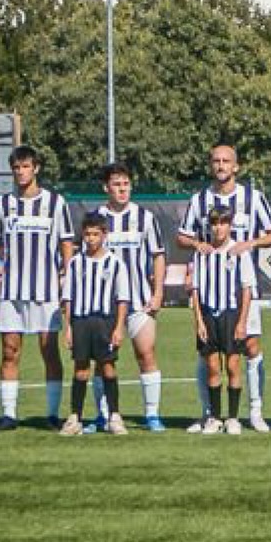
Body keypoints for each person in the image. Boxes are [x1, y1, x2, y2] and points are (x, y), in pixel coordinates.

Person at [177, 144, 271, 432]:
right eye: (216, 161)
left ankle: (254, 411)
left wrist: (252, 243)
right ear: (211, 166)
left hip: (243, 289)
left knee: (251, 347)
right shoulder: (200, 200)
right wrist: (198, 244)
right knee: (207, 355)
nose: (221, 165)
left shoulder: (253, 197)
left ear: (236, 166)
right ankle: (210, 412)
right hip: (210, 290)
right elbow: (182, 237)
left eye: (226, 161)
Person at [0, 145, 75, 429]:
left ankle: (51, 414)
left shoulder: (56, 203)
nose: (21, 172)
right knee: (10, 350)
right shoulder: (2, 204)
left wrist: (66, 277)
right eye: (16, 167)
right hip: (12, 291)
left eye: (25, 166)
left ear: (36, 168)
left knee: (50, 351)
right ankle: (8, 415)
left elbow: (66, 242)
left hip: (46, 290)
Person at [92, 163, 167, 430]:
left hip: (139, 301)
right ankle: (103, 415)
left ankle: (152, 415)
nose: (122, 189)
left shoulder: (145, 218)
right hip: (104, 304)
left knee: (145, 353)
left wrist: (158, 292)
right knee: (102, 361)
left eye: (125, 184)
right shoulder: (96, 218)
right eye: (116, 184)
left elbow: (158, 255)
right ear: (106, 188)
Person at [59, 212, 129, 436]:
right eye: (87, 234)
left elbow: (122, 298)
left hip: (104, 322)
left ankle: (114, 416)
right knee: (81, 370)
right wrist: (68, 327)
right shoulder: (76, 263)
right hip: (81, 321)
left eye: (95, 234)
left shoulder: (115, 263)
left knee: (108, 367)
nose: (90, 239)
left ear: (104, 235)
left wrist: (118, 328)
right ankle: (75, 417)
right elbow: (68, 297)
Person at [189, 204, 256, 435]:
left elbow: (247, 289)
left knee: (233, 365)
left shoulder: (239, 252)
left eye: (223, 223)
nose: (219, 228)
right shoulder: (202, 253)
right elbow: (195, 289)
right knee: (213, 366)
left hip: (230, 313)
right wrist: (198, 320)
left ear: (230, 225)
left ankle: (233, 418)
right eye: (215, 223)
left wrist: (242, 321)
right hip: (208, 313)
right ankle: (215, 417)